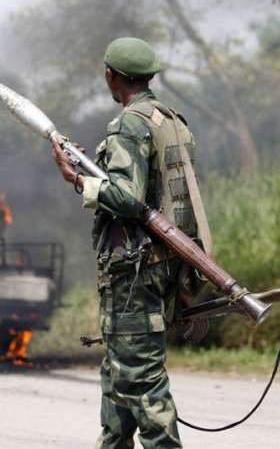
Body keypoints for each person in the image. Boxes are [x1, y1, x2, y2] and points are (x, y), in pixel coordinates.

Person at [51, 37, 203, 448]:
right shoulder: (172, 120)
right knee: (118, 377)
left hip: (135, 274)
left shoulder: (128, 125)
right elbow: (176, 202)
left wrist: (78, 179)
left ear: (111, 76)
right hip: (166, 265)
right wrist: (183, 278)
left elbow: (129, 199)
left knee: (141, 380)